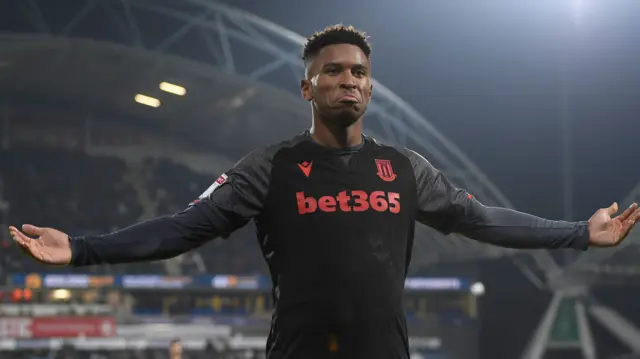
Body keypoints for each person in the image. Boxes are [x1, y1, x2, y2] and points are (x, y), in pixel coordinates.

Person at [8, 24, 640, 359]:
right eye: (332, 72)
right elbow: (182, 227)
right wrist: (84, 250)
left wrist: (580, 233)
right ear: (307, 89)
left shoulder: (404, 168)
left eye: (359, 73)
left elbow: (484, 220)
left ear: (370, 88)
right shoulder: (271, 167)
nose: (349, 82)